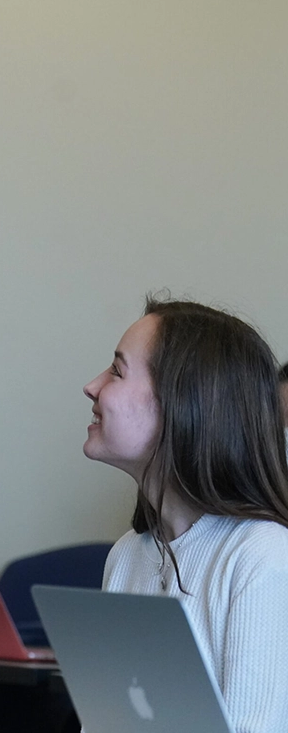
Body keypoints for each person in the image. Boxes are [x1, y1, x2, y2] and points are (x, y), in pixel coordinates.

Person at [83, 296, 288, 732]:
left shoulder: (265, 557)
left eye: (117, 371)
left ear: (182, 403)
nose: (92, 386)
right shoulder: (127, 554)